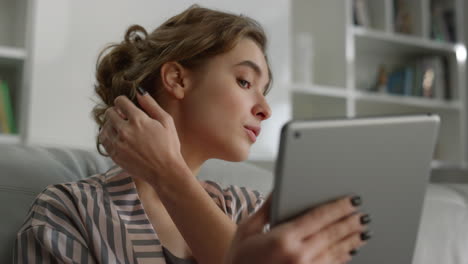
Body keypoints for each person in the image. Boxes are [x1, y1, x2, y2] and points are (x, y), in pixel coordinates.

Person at [14, 5, 371, 264]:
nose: (265, 108)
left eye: (265, 90)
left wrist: (170, 175)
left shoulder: (249, 210)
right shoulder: (70, 212)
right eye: (245, 81)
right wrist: (167, 174)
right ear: (177, 79)